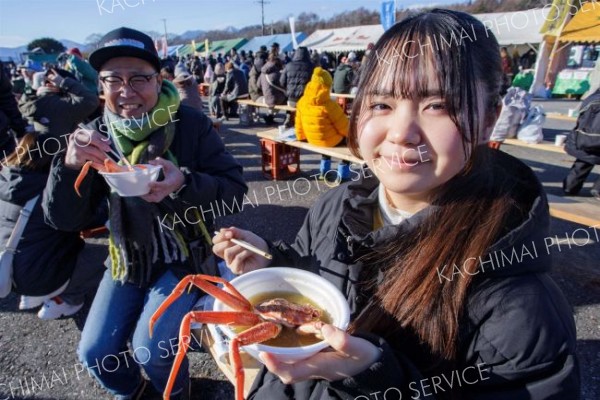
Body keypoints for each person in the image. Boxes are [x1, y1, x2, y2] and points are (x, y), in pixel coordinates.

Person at [213, 9, 579, 400]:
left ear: (490, 117)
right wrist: (274, 263)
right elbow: (320, 272)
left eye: (437, 105)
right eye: (382, 104)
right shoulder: (338, 206)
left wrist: (380, 379)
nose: (401, 132)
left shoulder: (518, 303)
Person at [43, 27, 247, 399]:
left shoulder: (192, 126)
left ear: (158, 79)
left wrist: (183, 183)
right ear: (100, 85)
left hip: (186, 257)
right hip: (126, 257)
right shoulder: (93, 136)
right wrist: (69, 166)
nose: (126, 91)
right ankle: (135, 392)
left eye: (139, 77)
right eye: (113, 80)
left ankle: (178, 391)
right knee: (94, 352)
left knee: (151, 349)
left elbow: (234, 193)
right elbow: (64, 220)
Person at [0, 133, 103, 319]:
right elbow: (88, 220)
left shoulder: (5, 179)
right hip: (39, 277)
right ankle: (66, 298)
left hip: (7, 271)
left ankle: (33, 292)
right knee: (110, 256)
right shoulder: (49, 190)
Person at [295, 67, 349, 181]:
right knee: (348, 145)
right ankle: (342, 176)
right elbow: (344, 128)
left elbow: (298, 124)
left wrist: (301, 137)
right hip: (329, 141)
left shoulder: (302, 101)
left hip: (311, 139)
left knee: (325, 138)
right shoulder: (329, 105)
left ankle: (323, 172)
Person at [18, 68, 99, 140]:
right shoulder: (59, 105)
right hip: (65, 151)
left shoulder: (30, 104)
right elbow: (91, 100)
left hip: (46, 152)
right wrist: (63, 82)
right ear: (50, 84)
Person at [563, 88, 600, 200]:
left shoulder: (593, 98)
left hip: (584, 138)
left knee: (582, 163)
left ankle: (570, 187)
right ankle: (598, 190)